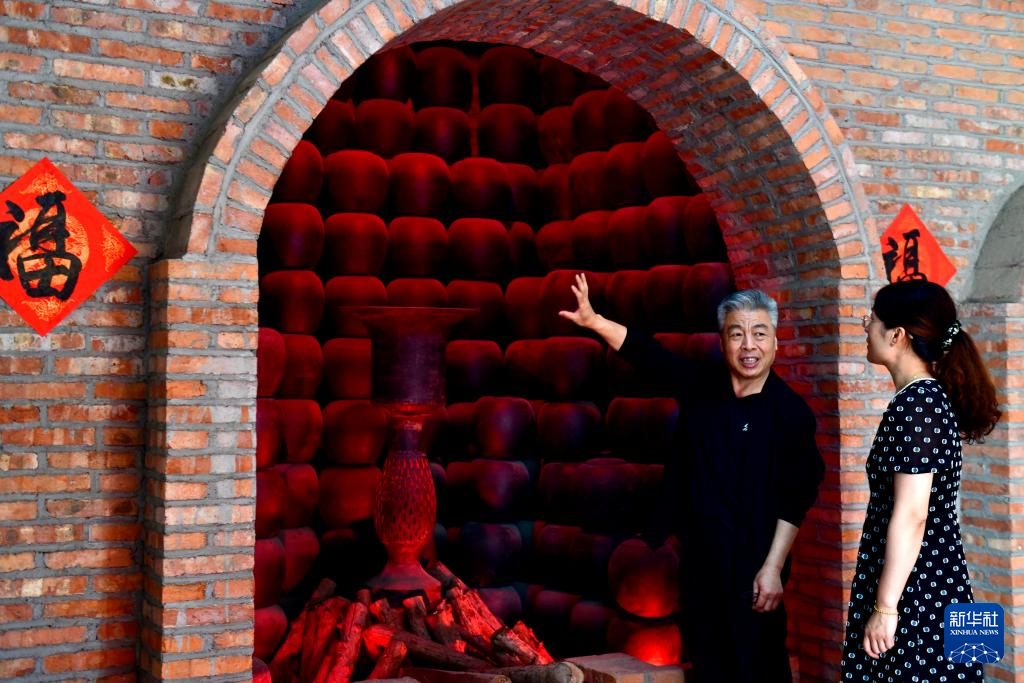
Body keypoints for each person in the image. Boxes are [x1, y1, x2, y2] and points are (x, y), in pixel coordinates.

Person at [560, 273, 824, 682]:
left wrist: (773, 568)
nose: (748, 345)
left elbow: (796, 497)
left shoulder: (789, 414)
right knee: (709, 670)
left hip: (754, 574)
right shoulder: (703, 387)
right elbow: (651, 356)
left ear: (775, 342)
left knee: (759, 671)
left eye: (759, 333)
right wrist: (595, 322)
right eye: (737, 334)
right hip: (700, 568)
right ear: (722, 342)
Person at [841, 280, 1000, 681]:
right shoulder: (924, 398)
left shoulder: (918, 404)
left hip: (917, 589)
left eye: (872, 319)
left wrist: (885, 608)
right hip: (939, 575)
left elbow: (913, 514)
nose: (865, 326)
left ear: (897, 335)